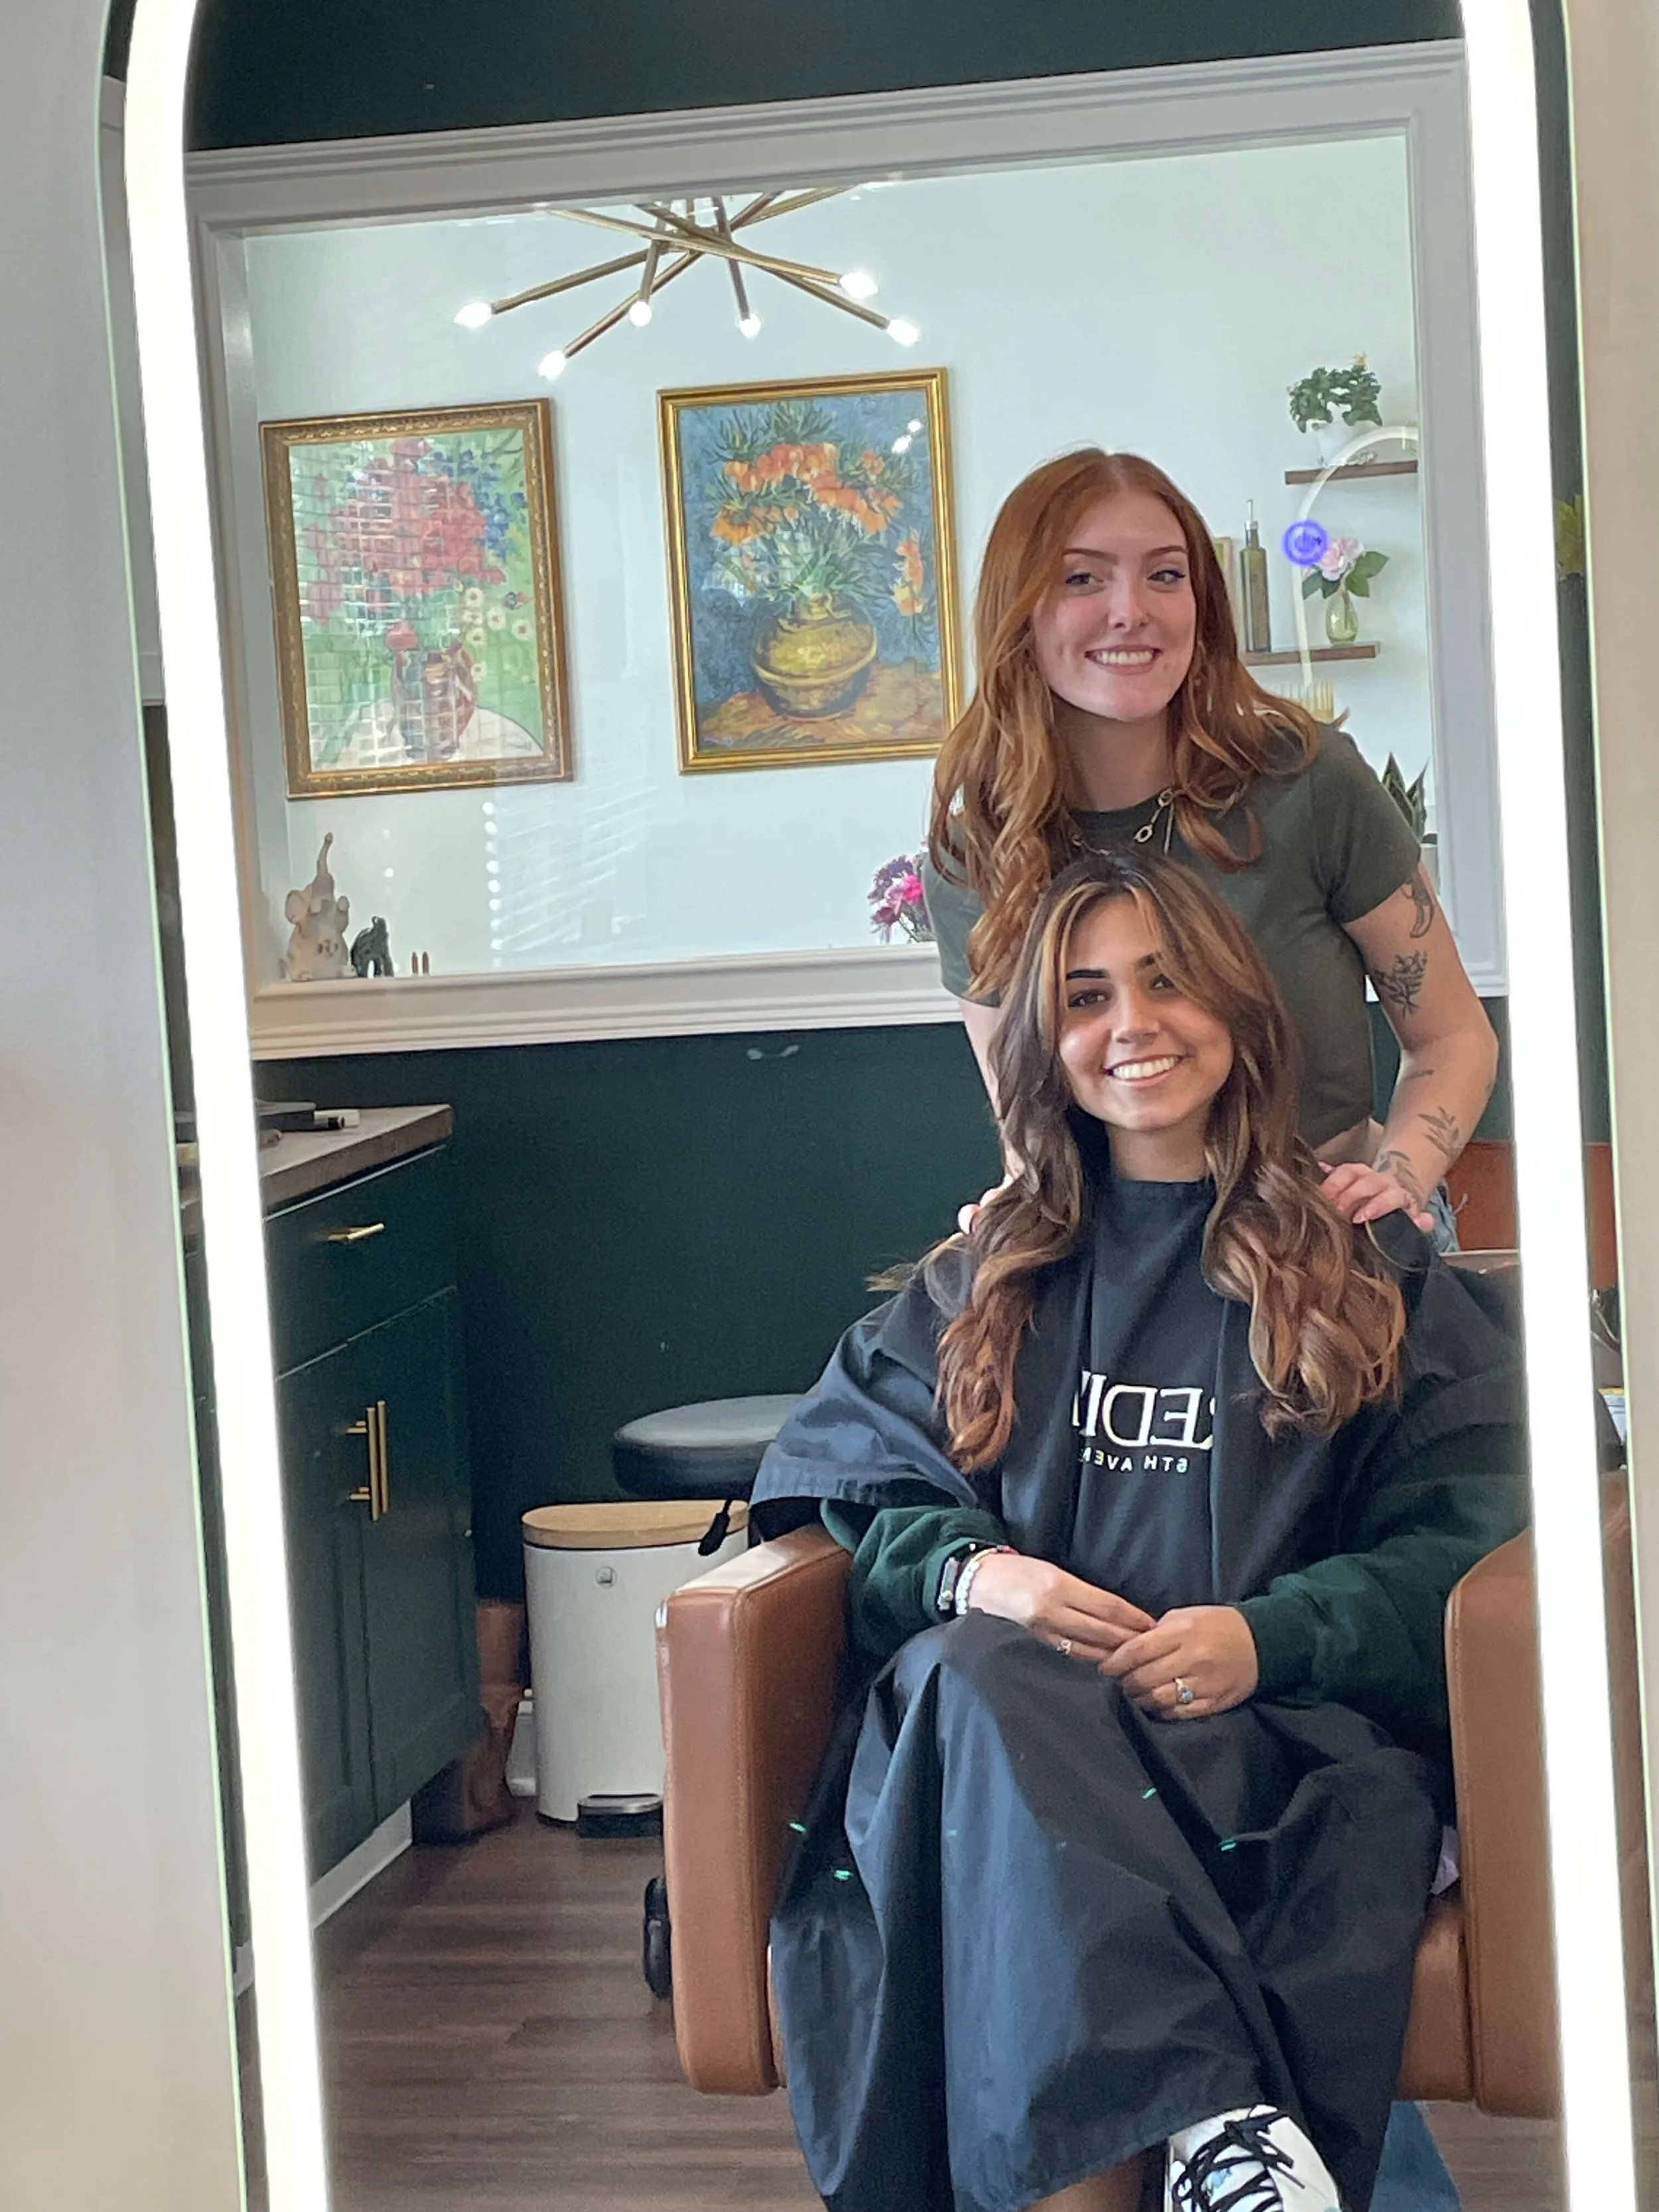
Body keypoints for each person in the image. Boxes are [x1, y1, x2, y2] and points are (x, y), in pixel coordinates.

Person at [752, 852, 1527, 2212]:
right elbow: (857, 1490)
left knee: (1004, 1791)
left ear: (1236, 1007)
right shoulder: (982, 1281)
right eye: (1086, 994)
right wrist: (981, 1574)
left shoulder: (1367, 1269)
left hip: (1270, 1762)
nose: (1132, 1025)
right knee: (970, 1670)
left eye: (1167, 982)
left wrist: (1269, 1635)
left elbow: (1466, 1549)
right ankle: (1215, 2127)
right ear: (1043, 1042)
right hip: (1009, 1757)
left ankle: (1209, 2124)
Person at [923, 449, 1499, 1243]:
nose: (1131, 610)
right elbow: (1027, 1123)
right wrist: (1019, 1214)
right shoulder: (976, 855)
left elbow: (1452, 1036)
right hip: (1127, 1264)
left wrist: (1398, 1180)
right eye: (1082, 578)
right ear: (1017, 611)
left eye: (1165, 575)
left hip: (1337, 1235)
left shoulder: (1310, 783)